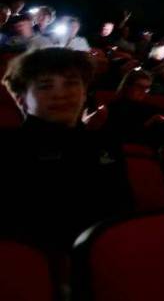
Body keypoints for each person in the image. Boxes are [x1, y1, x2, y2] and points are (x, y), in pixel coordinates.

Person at [0, 49, 131, 253]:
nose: (60, 94)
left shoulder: (105, 144)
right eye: (45, 86)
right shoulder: (8, 148)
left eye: (71, 83)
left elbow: (122, 212)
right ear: (21, 99)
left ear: (85, 92)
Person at [104, 70, 163, 145]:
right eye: (140, 87)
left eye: (147, 88)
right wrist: (150, 122)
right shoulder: (115, 106)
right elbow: (122, 135)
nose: (144, 91)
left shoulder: (147, 107)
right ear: (127, 86)